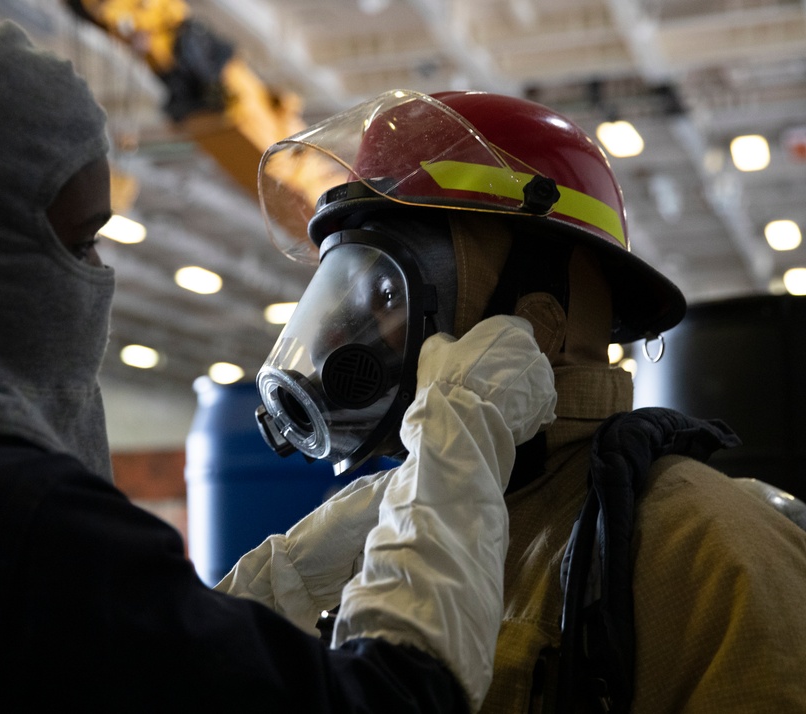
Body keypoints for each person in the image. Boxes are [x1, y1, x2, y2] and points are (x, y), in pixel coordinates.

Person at [0, 4, 558, 712]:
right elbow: (398, 698)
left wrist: (280, 582)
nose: (95, 277)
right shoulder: (9, 518)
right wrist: (463, 435)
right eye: (80, 243)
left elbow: (121, 666)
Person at [244, 89, 806, 712]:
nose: (349, 337)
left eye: (387, 292)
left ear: (533, 325)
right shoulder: (383, 536)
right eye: (345, 294)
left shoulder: (706, 550)